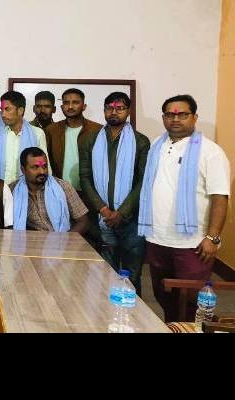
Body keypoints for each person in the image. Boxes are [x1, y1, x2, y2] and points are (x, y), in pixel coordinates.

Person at [138, 95, 230, 322]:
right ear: (164, 118)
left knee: (191, 299)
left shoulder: (211, 152)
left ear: (195, 117)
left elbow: (220, 196)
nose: (175, 119)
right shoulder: (156, 146)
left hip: (192, 243)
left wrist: (213, 237)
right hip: (157, 238)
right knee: (163, 295)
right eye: (170, 114)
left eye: (182, 114)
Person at [79, 92, 150, 293]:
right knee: (103, 274)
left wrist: (122, 212)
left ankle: (133, 312)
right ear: (104, 110)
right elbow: (85, 177)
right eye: (109, 108)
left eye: (120, 108)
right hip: (102, 219)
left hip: (131, 220)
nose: (114, 112)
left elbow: (143, 181)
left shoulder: (141, 141)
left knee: (132, 275)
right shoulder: (90, 140)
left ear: (128, 111)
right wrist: (103, 209)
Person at [12, 147, 89, 233]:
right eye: (35, 167)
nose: (42, 171)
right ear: (23, 170)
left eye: (44, 166)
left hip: (63, 237)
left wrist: (65, 239)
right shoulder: (13, 190)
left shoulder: (63, 187)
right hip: (29, 240)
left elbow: (83, 222)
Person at [46, 88, 102, 192]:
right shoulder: (51, 130)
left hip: (90, 191)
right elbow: (47, 161)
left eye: (75, 102)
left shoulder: (98, 130)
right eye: (66, 103)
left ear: (84, 106)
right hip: (60, 191)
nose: (70, 106)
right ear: (62, 107)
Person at [0, 90, 48, 185]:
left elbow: (45, 165)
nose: (3, 114)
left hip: (28, 188)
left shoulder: (37, 133)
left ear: (20, 110)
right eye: (2, 110)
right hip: (1, 187)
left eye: (7, 109)